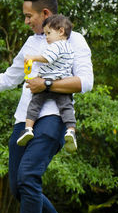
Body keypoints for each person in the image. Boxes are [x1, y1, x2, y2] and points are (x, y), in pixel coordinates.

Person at [0, 0, 93, 213]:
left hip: (53, 117)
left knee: (29, 176)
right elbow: (9, 78)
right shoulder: (30, 43)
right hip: (24, 120)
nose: (26, 21)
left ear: (46, 14)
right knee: (19, 188)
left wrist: (47, 84)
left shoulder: (75, 40)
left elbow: (85, 82)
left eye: (29, 16)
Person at [17, 14, 77, 153]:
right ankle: (71, 131)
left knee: (34, 105)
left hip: (47, 83)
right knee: (66, 108)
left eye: (48, 33)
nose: (46, 37)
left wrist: (33, 57)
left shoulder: (57, 45)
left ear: (61, 31)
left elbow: (47, 58)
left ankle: (28, 129)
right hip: (62, 84)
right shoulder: (69, 48)